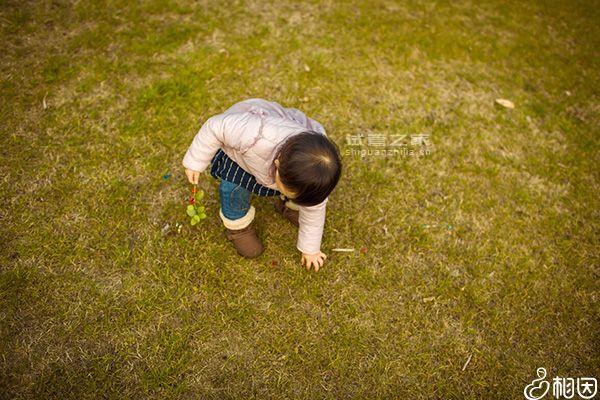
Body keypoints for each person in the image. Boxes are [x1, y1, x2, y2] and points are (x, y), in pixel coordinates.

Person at [182, 98, 342, 271]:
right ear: (278, 165)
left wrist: (310, 249)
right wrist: (195, 161)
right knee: (233, 188)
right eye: (286, 191)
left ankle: (288, 206)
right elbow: (215, 127)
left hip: (277, 162)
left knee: (300, 192)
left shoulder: (317, 176)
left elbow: (315, 210)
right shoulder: (253, 135)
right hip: (243, 155)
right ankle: (238, 227)